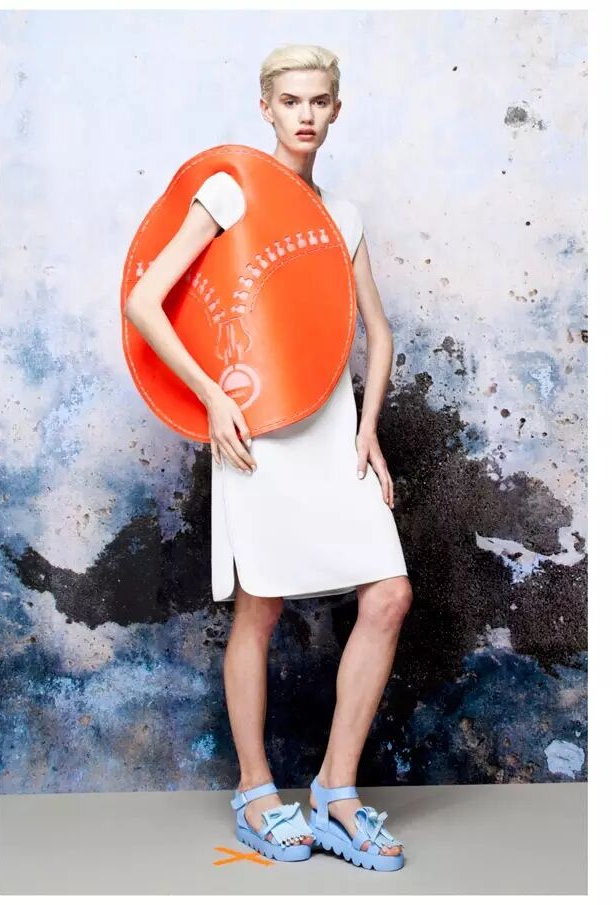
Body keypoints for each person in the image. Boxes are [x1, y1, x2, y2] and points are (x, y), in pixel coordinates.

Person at [124, 44, 412, 871]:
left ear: (337, 109)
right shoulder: (232, 189)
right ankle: (256, 791)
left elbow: (378, 332)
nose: (306, 115)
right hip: (255, 431)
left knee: (389, 594)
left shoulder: (343, 215)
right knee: (262, 606)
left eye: (319, 101)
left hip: (331, 429)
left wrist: (368, 428)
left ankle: (335, 791)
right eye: (291, 101)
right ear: (266, 107)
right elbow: (146, 300)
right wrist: (211, 398)